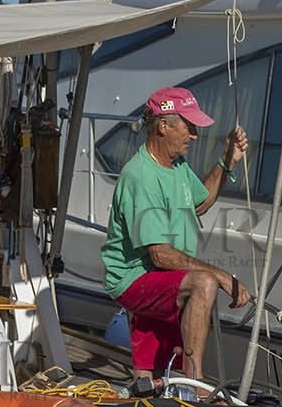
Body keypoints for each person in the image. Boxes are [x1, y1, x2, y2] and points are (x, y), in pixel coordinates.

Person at [101, 86, 253, 382]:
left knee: (150, 377)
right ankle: (194, 385)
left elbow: (201, 202)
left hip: (156, 272)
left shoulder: (177, 165)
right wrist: (222, 276)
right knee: (204, 284)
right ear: (163, 126)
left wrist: (227, 160)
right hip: (135, 277)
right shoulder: (141, 175)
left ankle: (158, 384)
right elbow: (160, 254)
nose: (195, 135)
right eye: (189, 126)